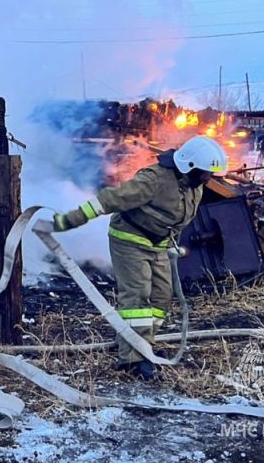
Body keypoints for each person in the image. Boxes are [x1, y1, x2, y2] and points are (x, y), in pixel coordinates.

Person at [52, 135, 227, 380]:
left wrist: (172, 243)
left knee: (161, 297)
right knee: (137, 297)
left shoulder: (194, 186)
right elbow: (109, 200)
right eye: (205, 172)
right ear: (189, 166)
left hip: (158, 245)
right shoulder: (153, 180)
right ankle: (133, 360)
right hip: (129, 240)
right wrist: (70, 220)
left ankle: (141, 342)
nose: (208, 178)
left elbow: (179, 218)